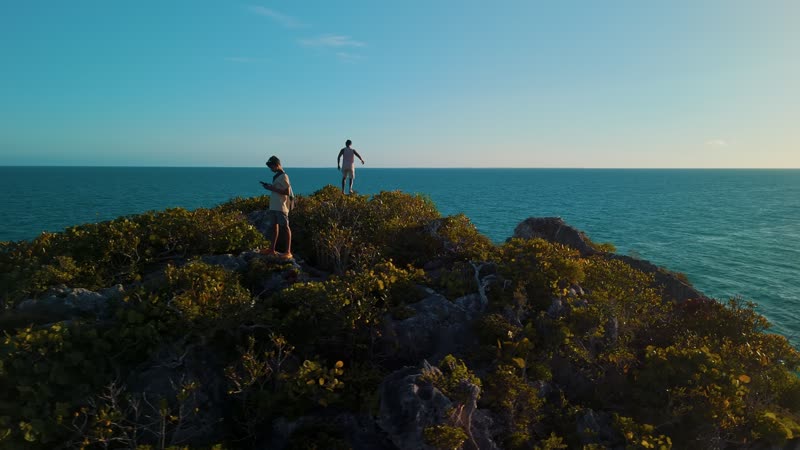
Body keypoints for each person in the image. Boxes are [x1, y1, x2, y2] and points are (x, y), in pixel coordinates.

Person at [259, 155, 293, 259]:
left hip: (281, 206)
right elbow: (279, 189)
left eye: (272, 167)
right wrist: (270, 187)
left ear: (277, 165)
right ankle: (272, 249)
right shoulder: (278, 176)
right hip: (274, 206)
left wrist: (271, 188)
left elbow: (287, 192)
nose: (271, 169)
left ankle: (288, 251)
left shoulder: (284, 176)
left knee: (285, 227)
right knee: (274, 227)